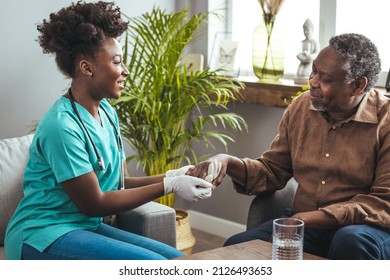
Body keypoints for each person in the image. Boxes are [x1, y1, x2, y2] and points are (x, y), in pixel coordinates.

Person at [4, 1, 213, 260]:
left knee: (176, 260)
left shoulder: (107, 114)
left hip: (81, 228)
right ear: (86, 67)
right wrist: (170, 186)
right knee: (155, 266)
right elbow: (95, 203)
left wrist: (172, 174)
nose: (125, 71)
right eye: (117, 62)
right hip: (41, 235)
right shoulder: (61, 126)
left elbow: (121, 183)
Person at [188, 33, 390, 260]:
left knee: (349, 242)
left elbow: (383, 202)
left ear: (357, 85)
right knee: (235, 248)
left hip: (366, 229)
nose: (313, 82)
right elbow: (273, 170)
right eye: (314, 71)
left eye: (326, 79)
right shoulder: (301, 107)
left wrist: (308, 219)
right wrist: (226, 161)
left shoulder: (386, 120)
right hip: (306, 223)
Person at [295, 19, 319, 84]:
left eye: (308, 30)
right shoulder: (302, 42)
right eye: (304, 30)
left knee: (305, 73)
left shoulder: (314, 42)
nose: (306, 32)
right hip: (303, 61)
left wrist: (310, 57)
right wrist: (300, 56)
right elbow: (300, 53)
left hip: (310, 62)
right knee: (299, 73)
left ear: (312, 30)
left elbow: (317, 53)